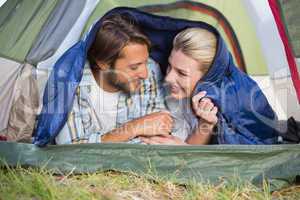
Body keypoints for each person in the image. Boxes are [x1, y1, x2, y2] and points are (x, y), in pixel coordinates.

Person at [34, 14, 172, 145]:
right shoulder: (72, 84)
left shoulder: (151, 69)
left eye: (145, 61)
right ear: (103, 63)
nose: (145, 74)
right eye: (134, 67)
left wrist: (107, 140)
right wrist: (133, 128)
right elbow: (71, 149)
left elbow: (160, 129)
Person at [141, 27, 279, 145]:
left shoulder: (234, 100)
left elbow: (244, 157)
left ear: (208, 76)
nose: (169, 78)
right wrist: (204, 125)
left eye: (182, 73)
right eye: (170, 66)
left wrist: (203, 127)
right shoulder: (175, 94)